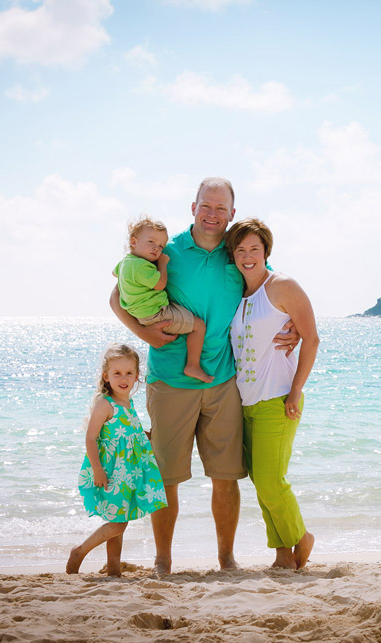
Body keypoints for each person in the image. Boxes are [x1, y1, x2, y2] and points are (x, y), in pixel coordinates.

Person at [109, 177, 298, 575]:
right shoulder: (167, 251)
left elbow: (271, 288)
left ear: (232, 212)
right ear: (193, 208)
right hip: (169, 381)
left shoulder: (237, 252)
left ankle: (226, 559)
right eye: (206, 206)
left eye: (221, 208)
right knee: (166, 479)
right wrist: (144, 334)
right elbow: (116, 296)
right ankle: (163, 561)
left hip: (223, 380)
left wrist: (294, 325)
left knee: (226, 478)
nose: (213, 214)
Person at [225, 218, 319, 570]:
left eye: (254, 249)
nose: (248, 256)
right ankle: (281, 554)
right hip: (247, 402)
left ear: (266, 251)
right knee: (260, 481)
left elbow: (312, 339)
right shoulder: (238, 293)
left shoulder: (282, 286)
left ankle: (301, 537)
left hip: (278, 398)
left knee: (269, 480)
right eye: (240, 250)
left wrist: (296, 390)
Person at [67, 344, 167, 576]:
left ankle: (113, 570)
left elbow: (124, 433)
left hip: (129, 471)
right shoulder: (106, 404)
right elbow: (90, 438)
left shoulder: (128, 403)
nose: (124, 378)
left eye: (129, 373)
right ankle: (80, 551)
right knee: (118, 523)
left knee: (120, 518)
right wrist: (97, 470)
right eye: (117, 373)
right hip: (111, 471)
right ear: (106, 376)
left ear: (137, 375)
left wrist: (144, 436)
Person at [114, 217, 213, 384]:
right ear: (133, 242)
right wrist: (162, 264)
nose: (156, 248)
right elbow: (160, 284)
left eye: (161, 246)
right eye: (151, 242)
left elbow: (115, 274)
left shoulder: (125, 263)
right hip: (157, 313)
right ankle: (193, 365)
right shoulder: (141, 266)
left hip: (143, 314)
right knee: (199, 326)